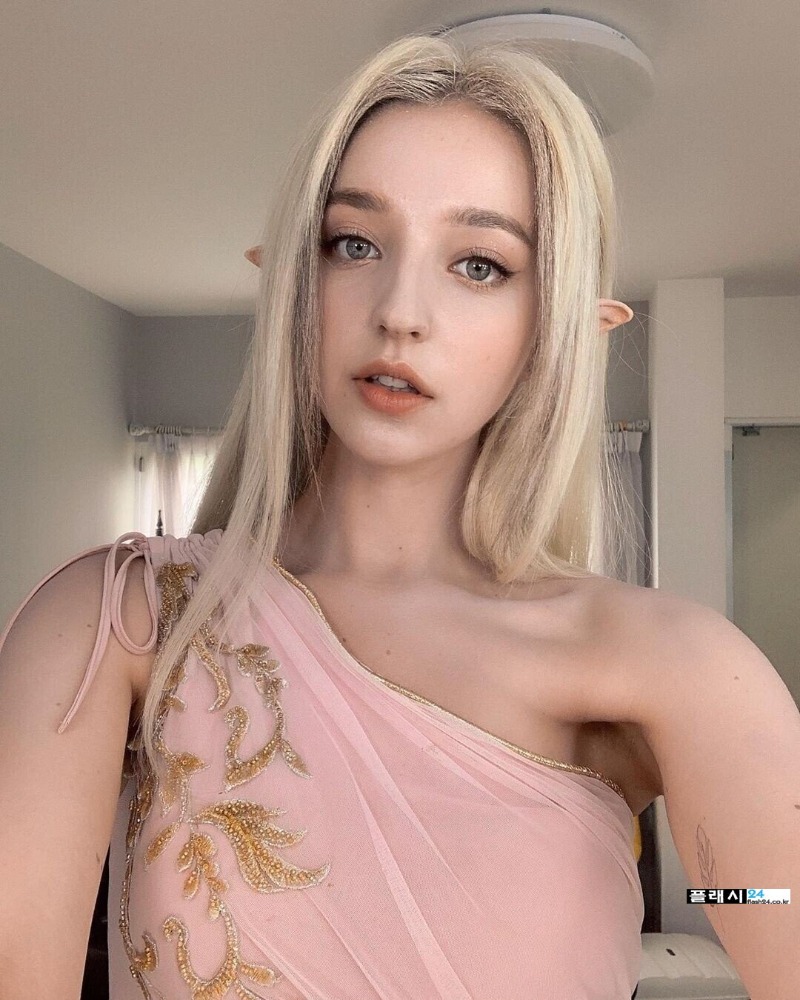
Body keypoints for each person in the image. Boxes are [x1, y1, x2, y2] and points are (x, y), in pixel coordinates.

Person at [1, 31, 798, 1000]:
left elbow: (763, 899)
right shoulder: (118, 620)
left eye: (480, 265)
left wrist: (745, 893)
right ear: (291, 280)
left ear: (557, 326)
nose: (400, 311)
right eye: (354, 244)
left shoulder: (668, 665)